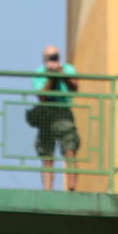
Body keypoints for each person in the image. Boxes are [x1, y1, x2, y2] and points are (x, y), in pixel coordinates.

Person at [31, 44, 80, 191]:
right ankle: (47, 189)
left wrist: (60, 73)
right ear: (44, 59)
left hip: (63, 111)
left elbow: (75, 87)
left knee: (69, 149)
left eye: (55, 56)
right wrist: (51, 78)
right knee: (47, 155)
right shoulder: (39, 73)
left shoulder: (68, 69)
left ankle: (72, 185)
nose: (54, 59)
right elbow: (41, 96)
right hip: (46, 113)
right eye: (50, 57)